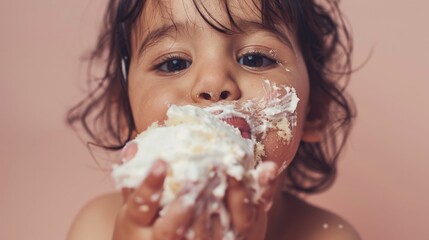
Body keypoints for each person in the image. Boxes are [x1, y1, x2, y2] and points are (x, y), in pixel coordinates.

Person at [67, 0, 360, 239]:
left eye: (254, 59)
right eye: (174, 63)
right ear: (126, 115)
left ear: (315, 111)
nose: (213, 82)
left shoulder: (332, 236)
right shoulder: (97, 228)